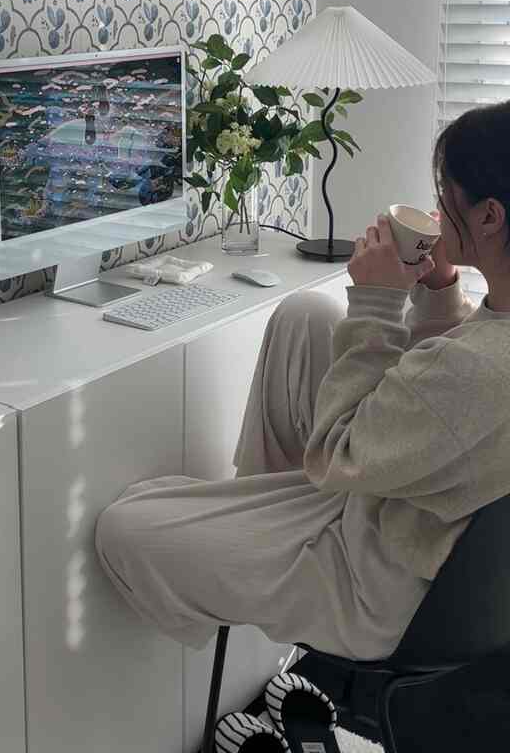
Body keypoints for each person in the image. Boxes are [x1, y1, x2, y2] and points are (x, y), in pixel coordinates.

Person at [94, 102, 510, 661]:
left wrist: (376, 304)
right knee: (306, 315)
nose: (436, 207)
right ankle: (262, 533)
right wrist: (438, 289)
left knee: (127, 525)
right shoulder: (491, 336)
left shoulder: (480, 371)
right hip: (412, 506)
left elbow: (339, 453)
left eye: (445, 194)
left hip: (380, 583)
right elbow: (447, 396)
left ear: (489, 216)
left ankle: (266, 564)